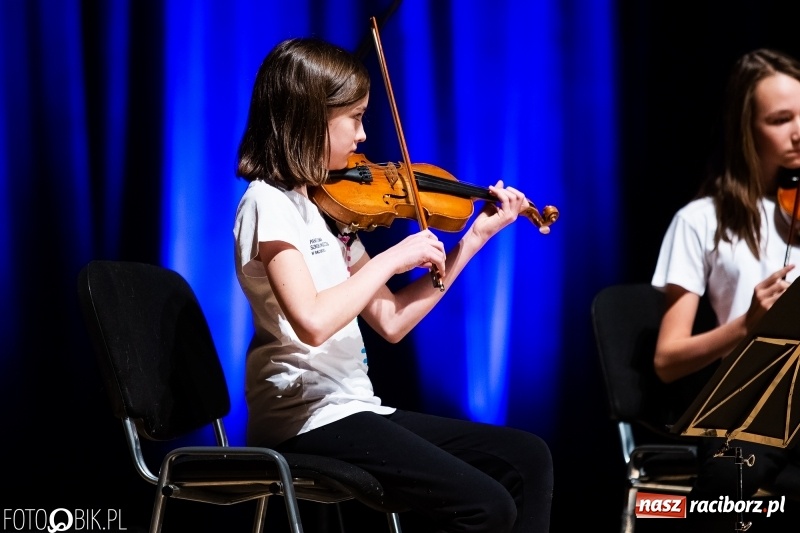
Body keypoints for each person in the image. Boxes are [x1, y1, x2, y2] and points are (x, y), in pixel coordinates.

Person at [232, 37, 554, 533]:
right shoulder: (267, 205)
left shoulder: (324, 210)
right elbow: (313, 322)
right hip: (306, 420)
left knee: (527, 459)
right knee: (485, 506)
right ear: (309, 118)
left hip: (355, 406)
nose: (363, 136)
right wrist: (390, 260)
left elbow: (392, 320)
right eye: (354, 118)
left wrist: (472, 240)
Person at [652, 48, 800, 530]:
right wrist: (749, 324)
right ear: (746, 130)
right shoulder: (700, 222)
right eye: (781, 120)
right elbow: (668, 360)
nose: (799, 131)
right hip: (748, 412)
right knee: (725, 489)